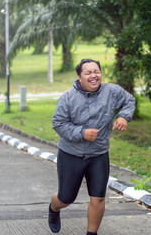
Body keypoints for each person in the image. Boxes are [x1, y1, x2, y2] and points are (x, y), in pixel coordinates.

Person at [48, 58, 135, 234]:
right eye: (88, 73)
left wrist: (124, 116)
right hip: (71, 154)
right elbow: (58, 123)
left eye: (96, 71)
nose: (94, 76)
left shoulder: (112, 91)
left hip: (99, 153)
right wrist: (82, 133)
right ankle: (54, 209)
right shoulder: (68, 98)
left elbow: (129, 100)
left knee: (98, 198)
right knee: (66, 198)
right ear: (79, 77)